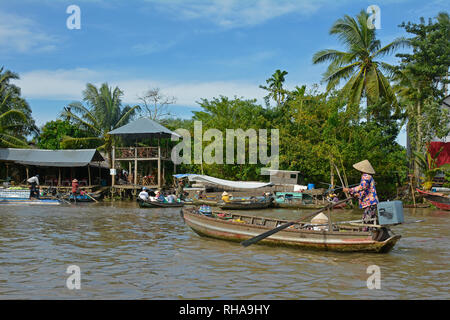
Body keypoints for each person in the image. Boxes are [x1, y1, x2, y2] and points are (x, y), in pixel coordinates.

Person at [343, 160, 379, 229]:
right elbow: (364, 191)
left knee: (366, 220)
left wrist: (349, 190)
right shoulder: (369, 177)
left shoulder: (365, 176)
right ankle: (372, 232)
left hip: (370, 203)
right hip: (372, 202)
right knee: (371, 220)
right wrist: (354, 194)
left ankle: (367, 234)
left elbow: (361, 187)